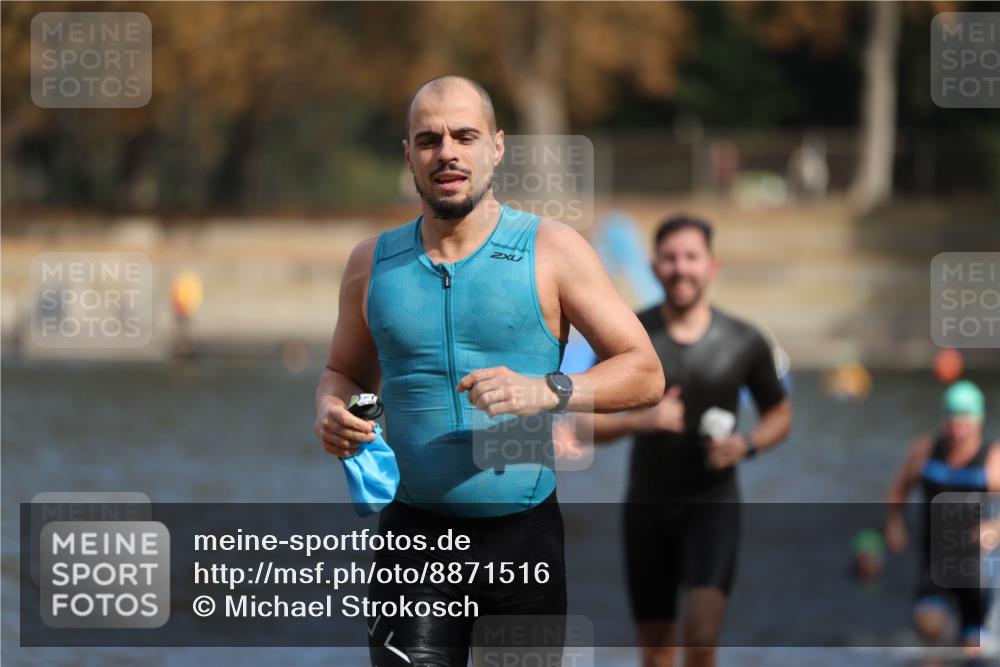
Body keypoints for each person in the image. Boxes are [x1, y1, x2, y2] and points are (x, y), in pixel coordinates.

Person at [313, 75, 664, 667]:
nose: (446, 151)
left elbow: (645, 372)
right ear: (408, 157)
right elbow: (342, 372)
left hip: (521, 539)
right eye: (428, 140)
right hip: (413, 545)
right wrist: (329, 409)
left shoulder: (552, 249)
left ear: (495, 147)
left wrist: (547, 390)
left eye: (464, 135)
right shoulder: (372, 262)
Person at [580, 214, 793, 667]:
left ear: (711, 266)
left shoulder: (744, 340)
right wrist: (640, 421)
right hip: (646, 511)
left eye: (691, 257)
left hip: (712, 510)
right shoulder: (629, 337)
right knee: (656, 653)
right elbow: (580, 425)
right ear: (655, 267)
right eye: (670, 258)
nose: (681, 268)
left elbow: (780, 413)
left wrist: (748, 444)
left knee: (700, 638)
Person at [885, 379, 1000, 657]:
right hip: (934, 560)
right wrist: (895, 523)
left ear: (979, 421)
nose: (957, 429)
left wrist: (993, 528)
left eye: (965, 421)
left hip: (975, 568)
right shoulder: (926, 451)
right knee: (929, 629)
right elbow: (899, 487)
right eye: (952, 420)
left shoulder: (992, 460)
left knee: (972, 650)